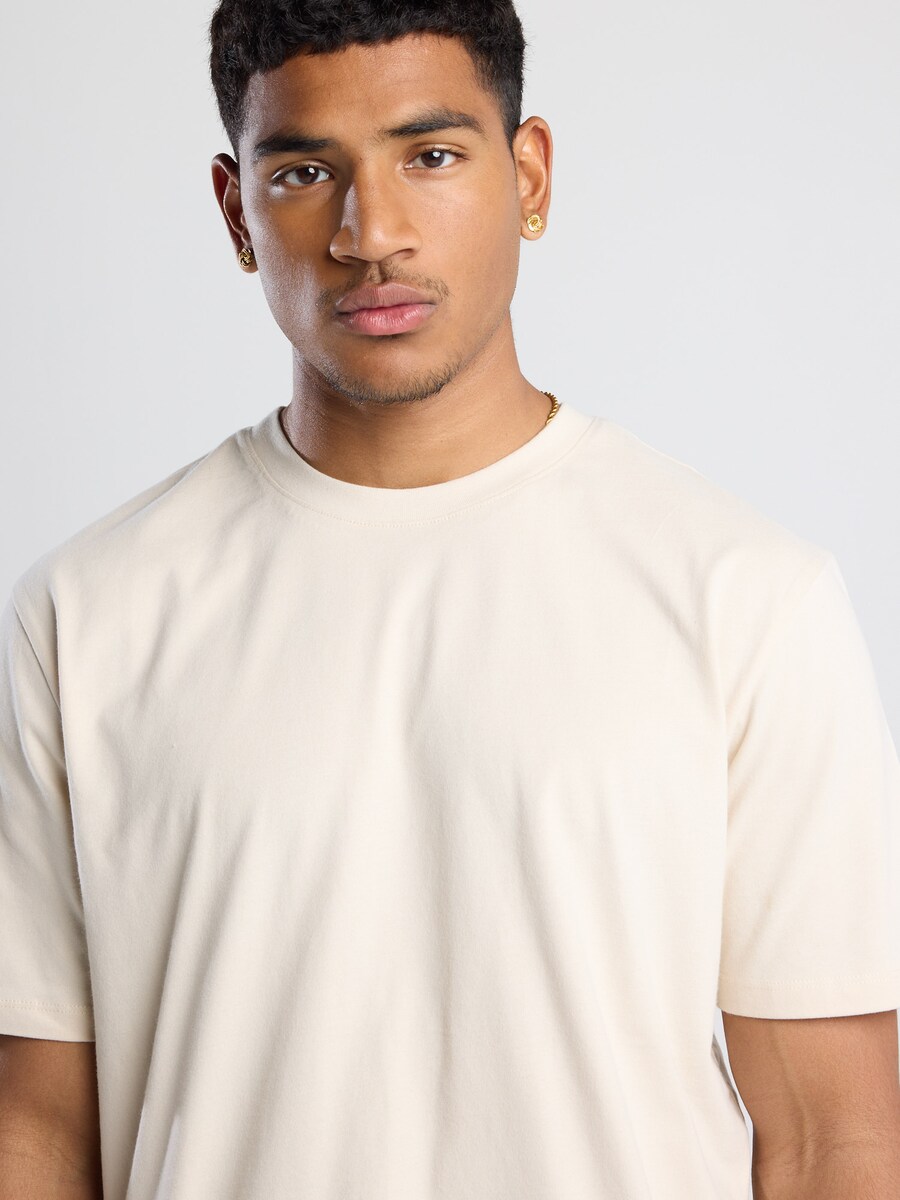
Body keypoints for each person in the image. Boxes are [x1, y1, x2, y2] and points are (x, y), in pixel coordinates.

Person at [2, 2, 899, 1197]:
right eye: (305, 171)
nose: (370, 233)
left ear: (528, 176)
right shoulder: (87, 615)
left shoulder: (745, 598)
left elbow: (837, 1140)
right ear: (235, 210)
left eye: (430, 154)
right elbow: (35, 1133)